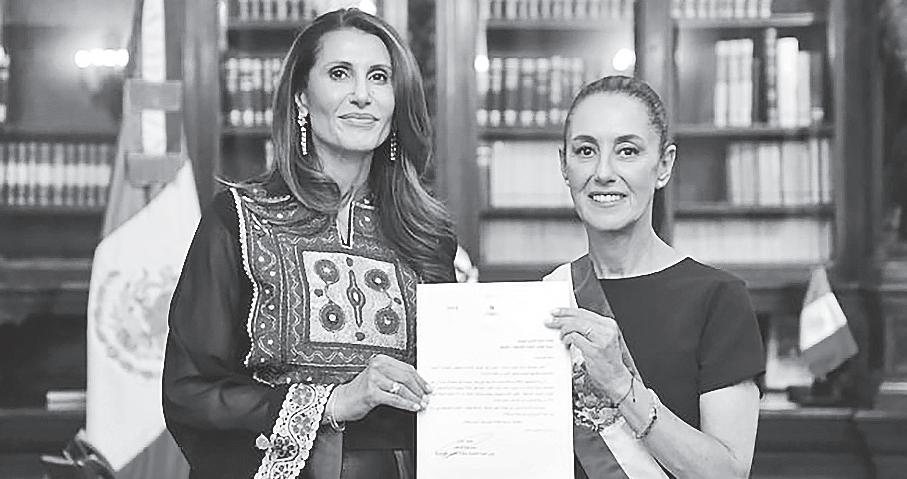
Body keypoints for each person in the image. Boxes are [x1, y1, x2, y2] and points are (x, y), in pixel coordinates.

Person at [162, 9, 456, 479]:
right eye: (340, 74)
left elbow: (457, 381)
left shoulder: (427, 234)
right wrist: (331, 403)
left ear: (396, 100)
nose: (362, 95)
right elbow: (190, 391)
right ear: (301, 96)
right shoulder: (240, 219)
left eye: (379, 77)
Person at [543, 75, 765, 478]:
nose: (603, 172)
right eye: (585, 151)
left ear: (663, 166)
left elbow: (728, 474)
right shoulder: (546, 298)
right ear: (564, 165)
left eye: (627, 151)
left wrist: (620, 386)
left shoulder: (718, 299)